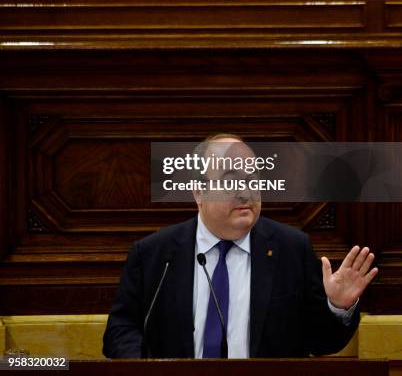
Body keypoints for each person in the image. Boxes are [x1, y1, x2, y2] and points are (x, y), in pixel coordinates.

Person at [103, 135, 378, 359]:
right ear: (199, 193)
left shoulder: (291, 249)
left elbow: (321, 343)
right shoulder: (154, 253)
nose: (245, 192)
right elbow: (120, 331)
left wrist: (337, 307)